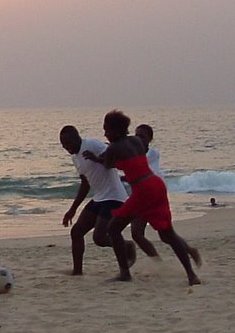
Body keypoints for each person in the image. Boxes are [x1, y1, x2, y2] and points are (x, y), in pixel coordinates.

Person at [85, 110, 201, 285]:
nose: (105, 134)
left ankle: (124, 273)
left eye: (106, 130)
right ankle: (191, 275)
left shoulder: (114, 148)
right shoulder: (136, 141)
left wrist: (95, 158)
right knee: (167, 233)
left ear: (115, 131)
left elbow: (108, 165)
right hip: (156, 184)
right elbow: (130, 159)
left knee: (114, 229)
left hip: (142, 190)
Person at [59, 125, 139, 275]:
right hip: (100, 197)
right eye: (63, 145)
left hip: (114, 196)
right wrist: (72, 209)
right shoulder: (75, 158)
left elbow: (114, 158)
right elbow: (85, 184)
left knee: (100, 237)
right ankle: (77, 271)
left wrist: (98, 159)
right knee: (76, 231)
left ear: (77, 138)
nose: (66, 147)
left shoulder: (92, 144)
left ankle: (127, 246)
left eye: (68, 143)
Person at [129, 124, 163, 260]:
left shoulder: (152, 153)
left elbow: (145, 171)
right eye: (136, 135)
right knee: (136, 233)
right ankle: (157, 260)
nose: (138, 139)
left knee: (166, 235)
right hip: (140, 198)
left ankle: (189, 252)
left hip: (155, 198)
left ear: (150, 139)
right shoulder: (133, 154)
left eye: (142, 136)